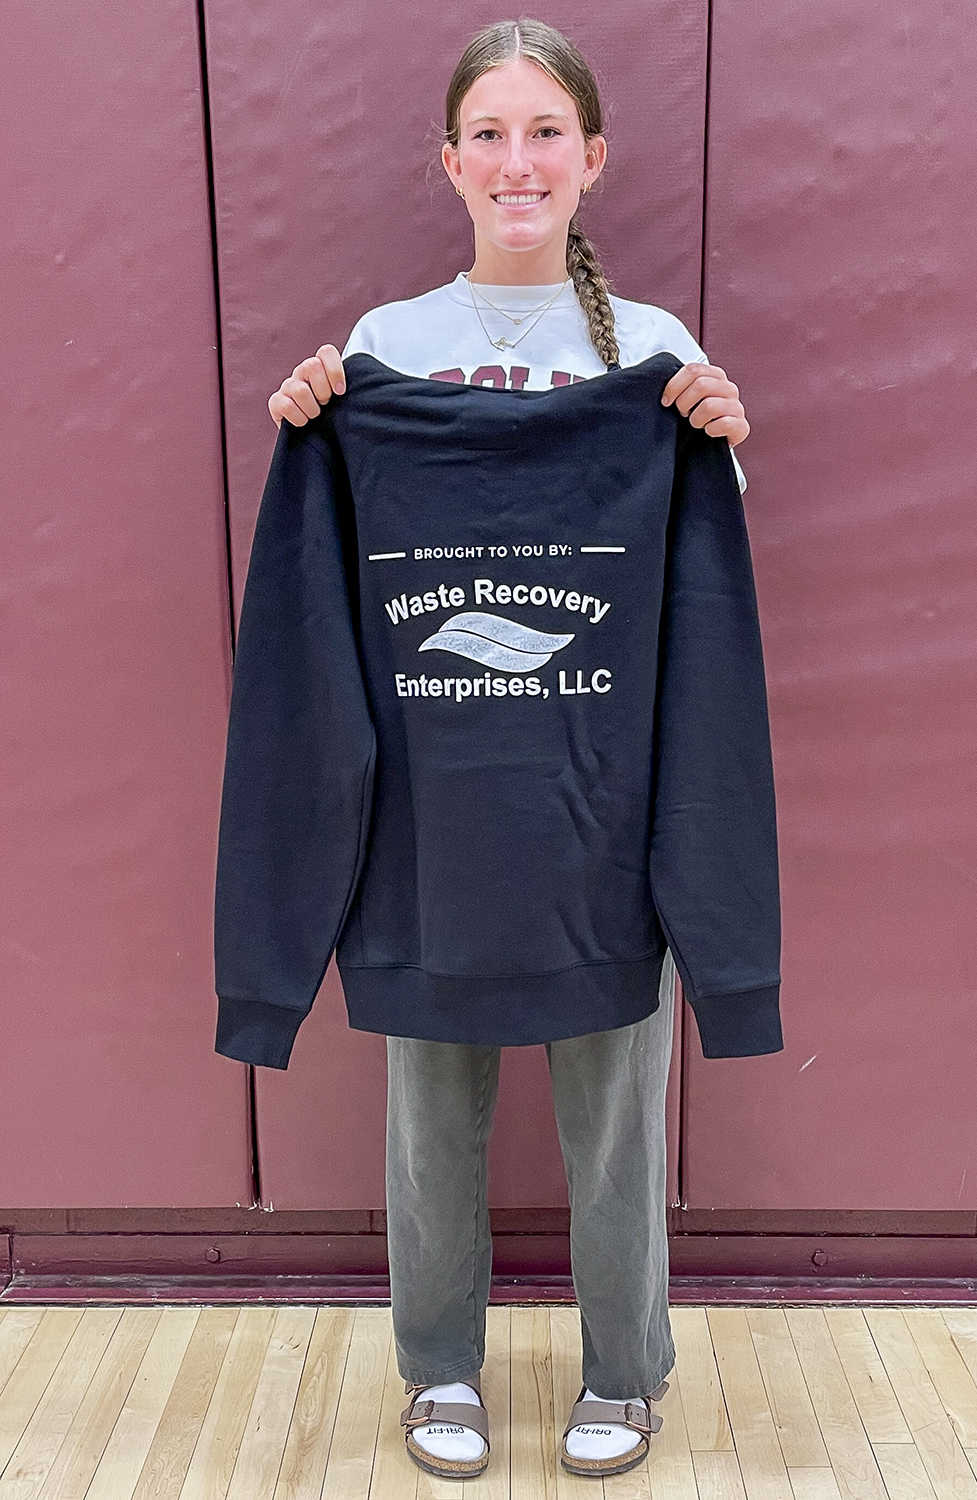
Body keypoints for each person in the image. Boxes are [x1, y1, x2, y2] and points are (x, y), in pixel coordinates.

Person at [262, 19, 748, 1481]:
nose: (517, 160)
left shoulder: (654, 348)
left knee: (616, 1118)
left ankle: (626, 1373)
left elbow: (706, 576)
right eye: (490, 132)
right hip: (435, 801)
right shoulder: (385, 347)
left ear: (591, 160)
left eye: (546, 132)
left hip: (604, 795)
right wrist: (304, 425)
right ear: (450, 161)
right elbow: (333, 560)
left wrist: (722, 439)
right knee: (430, 1112)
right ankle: (438, 1374)